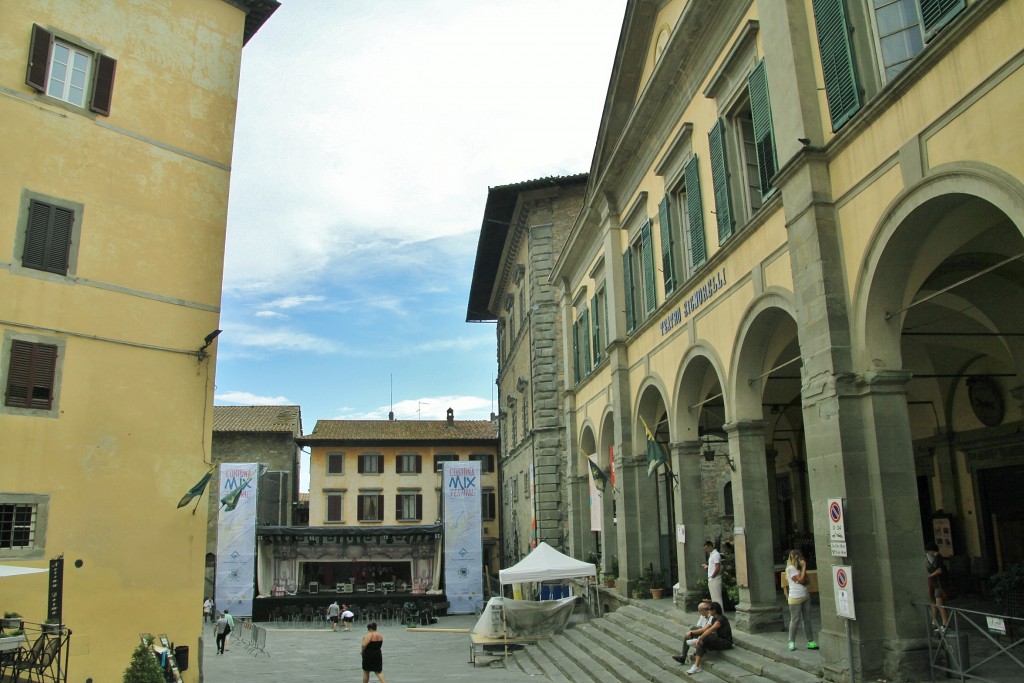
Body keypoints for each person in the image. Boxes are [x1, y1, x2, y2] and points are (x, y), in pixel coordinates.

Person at [784, 549, 818, 651]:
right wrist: (804, 567)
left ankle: (810, 641)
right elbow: (801, 580)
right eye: (800, 557)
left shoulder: (798, 568)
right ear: (796, 558)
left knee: (807, 619)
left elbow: (805, 579)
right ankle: (791, 641)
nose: (802, 559)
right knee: (795, 619)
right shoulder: (790, 568)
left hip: (805, 596)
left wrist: (802, 568)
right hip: (795, 597)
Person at [687, 601, 732, 675]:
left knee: (706, 637)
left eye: (709, 609)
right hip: (717, 640)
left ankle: (696, 641)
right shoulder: (714, 619)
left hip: (726, 642)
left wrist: (700, 638)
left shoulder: (721, 619)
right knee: (702, 643)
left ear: (714, 610)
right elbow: (708, 630)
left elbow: (710, 630)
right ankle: (696, 666)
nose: (708, 611)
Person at [672, 599, 712, 664]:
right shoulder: (702, 616)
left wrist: (692, 632)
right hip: (703, 633)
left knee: (691, 632)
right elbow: (698, 627)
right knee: (690, 632)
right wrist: (692, 632)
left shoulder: (711, 616)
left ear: (702, 610)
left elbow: (705, 629)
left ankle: (699, 651)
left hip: (709, 635)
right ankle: (683, 657)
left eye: (700, 611)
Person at [926, 542, 949, 632]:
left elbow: (939, 570)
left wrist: (930, 575)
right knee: (938, 603)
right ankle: (941, 622)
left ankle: (945, 623)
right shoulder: (936, 558)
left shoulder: (938, 558)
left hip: (940, 582)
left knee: (940, 604)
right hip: (936, 583)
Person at [702, 541, 723, 608]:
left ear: (710, 546)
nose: (706, 550)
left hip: (715, 578)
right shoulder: (712, 555)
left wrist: (712, 577)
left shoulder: (716, 554)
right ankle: (716, 613)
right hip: (712, 578)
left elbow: (717, 567)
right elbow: (713, 566)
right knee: (714, 598)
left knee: (717, 598)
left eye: (706, 548)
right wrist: (707, 566)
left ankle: (720, 613)